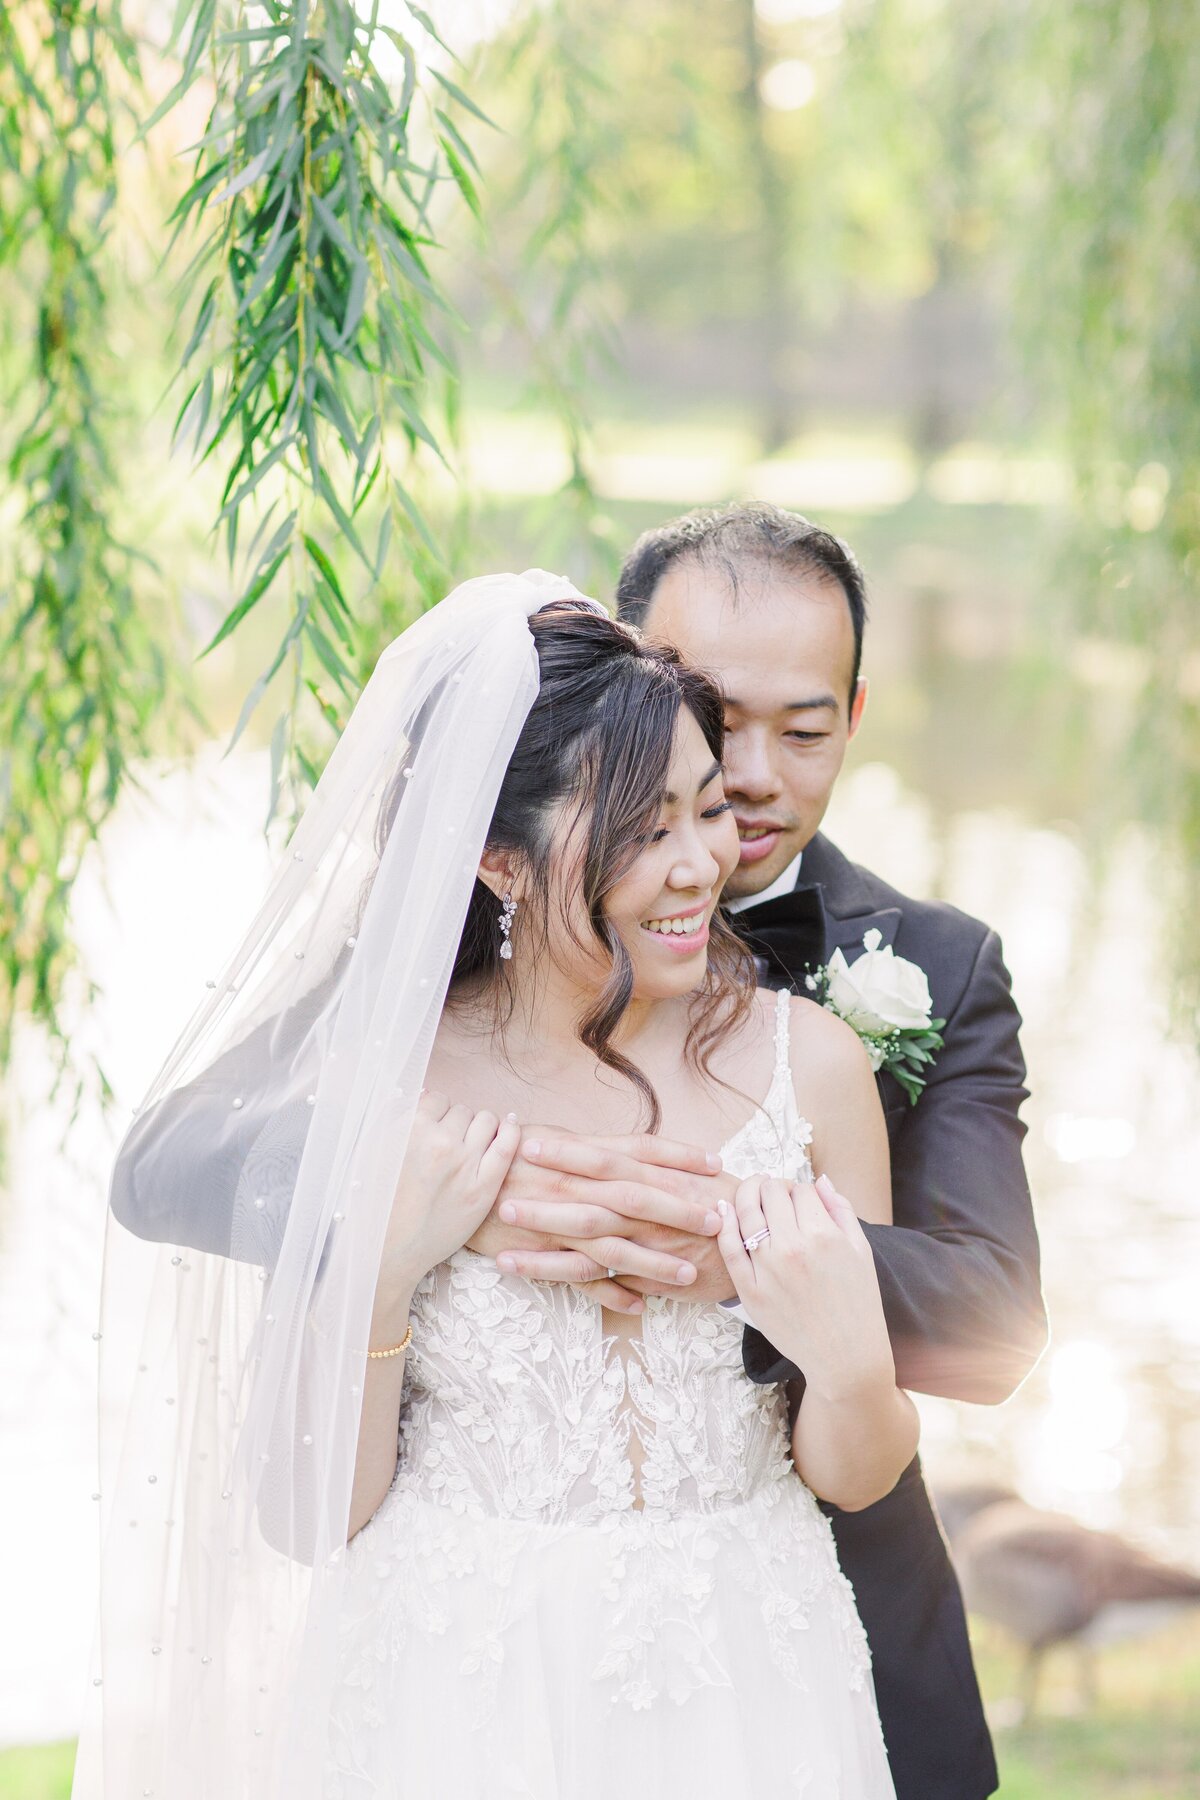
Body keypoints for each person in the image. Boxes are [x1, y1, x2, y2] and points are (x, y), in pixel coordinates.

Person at [86, 573, 903, 1800]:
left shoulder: (814, 1065)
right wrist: (384, 1270)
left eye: (703, 809)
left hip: (753, 1671)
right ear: (500, 865)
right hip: (457, 1690)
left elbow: (857, 1469)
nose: (699, 866)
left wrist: (846, 1359)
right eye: (642, 831)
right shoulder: (389, 1086)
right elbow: (307, 1518)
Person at [469, 508, 1049, 1800]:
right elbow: (193, 1161)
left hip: (828, 1602)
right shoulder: (475, 917)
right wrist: (463, 1200)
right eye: (714, 716)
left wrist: (724, 1243)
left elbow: (997, 1321)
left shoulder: (931, 968)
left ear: (855, 712)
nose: (750, 778)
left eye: (807, 729)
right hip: (509, 1626)